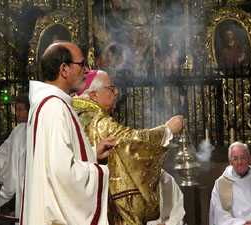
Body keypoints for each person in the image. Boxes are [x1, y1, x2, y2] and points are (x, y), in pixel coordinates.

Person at [72, 70, 185, 225]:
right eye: (110, 89)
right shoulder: (98, 122)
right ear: (94, 95)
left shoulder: (76, 115)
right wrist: (167, 130)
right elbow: (131, 141)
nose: (116, 92)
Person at [20, 42, 113, 225]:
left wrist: (93, 153)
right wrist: (101, 172)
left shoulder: (46, 104)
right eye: (82, 64)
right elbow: (62, 174)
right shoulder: (55, 107)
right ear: (64, 69)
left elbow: (53, 161)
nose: (86, 70)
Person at [209, 142, 251, 225]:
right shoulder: (220, 184)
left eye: (243, 158)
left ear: (249, 159)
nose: (239, 162)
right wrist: (243, 224)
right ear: (230, 161)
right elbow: (219, 215)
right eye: (235, 159)